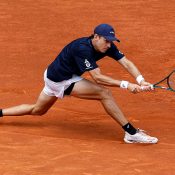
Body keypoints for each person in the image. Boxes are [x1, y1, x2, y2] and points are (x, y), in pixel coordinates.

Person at [0, 23, 158, 144]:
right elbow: (98, 78)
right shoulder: (82, 49)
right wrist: (126, 84)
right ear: (96, 37)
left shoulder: (107, 45)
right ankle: (131, 133)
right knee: (104, 93)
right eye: (106, 41)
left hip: (53, 75)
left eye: (111, 41)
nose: (109, 44)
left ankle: (0, 113)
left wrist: (140, 80)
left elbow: (126, 63)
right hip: (60, 80)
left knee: (38, 110)